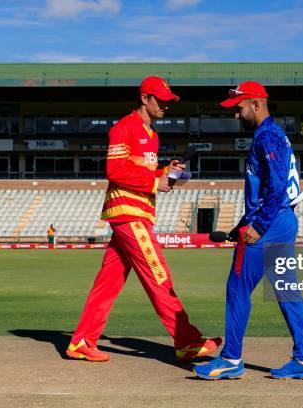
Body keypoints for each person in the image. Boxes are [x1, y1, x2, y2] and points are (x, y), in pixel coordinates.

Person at [67, 76, 221, 362]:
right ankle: (186, 340)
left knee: (108, 283)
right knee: (158, 274)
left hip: (137, 213)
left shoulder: (152, 134)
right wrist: (154, 183)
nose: (165, 106)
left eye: (168, 101)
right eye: (160, 100)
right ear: (144, 98)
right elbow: (114, 171)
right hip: (128, 214)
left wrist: (166, 172)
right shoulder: (124, 128)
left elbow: (142, 172)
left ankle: (81, 342)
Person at [194, 81, 303, 380]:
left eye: (239, 108)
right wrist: (242, 225)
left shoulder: (266, 136)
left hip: (271, 223)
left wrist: (259, 226)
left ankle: (230, 359)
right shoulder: (275, 135)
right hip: (281, 219)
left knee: (237, 287)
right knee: (287, 291)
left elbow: (276, 187)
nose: (236, 115)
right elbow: (270, 189)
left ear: (256, 104)